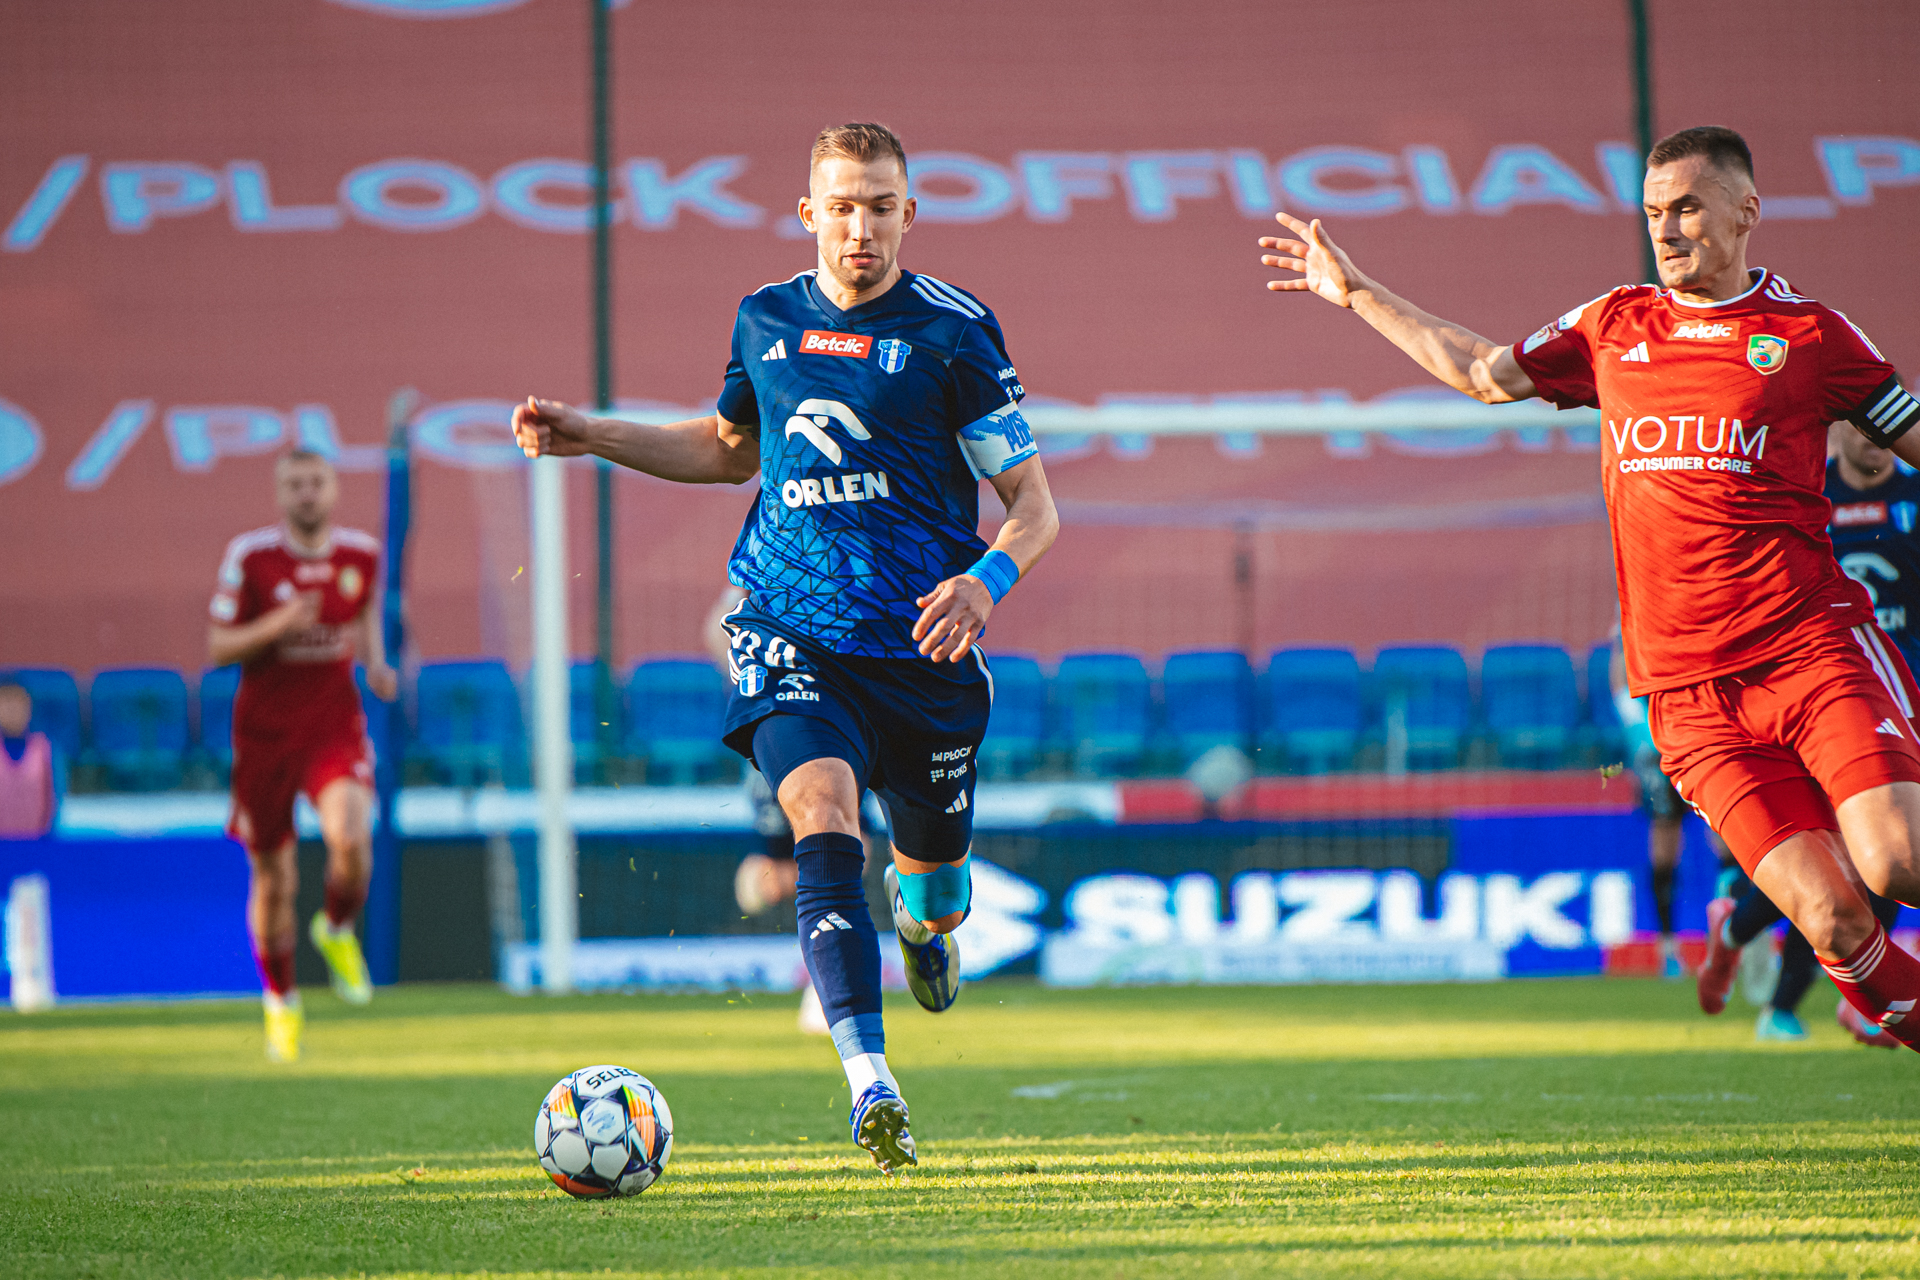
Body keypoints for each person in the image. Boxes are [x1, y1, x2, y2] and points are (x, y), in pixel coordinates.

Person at [1260, 125, 1920, 1051]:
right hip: (1689, 703)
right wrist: (1358, 293)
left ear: (1746, 212)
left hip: (1810, 655)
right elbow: (1481, 373)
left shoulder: (1812, 337)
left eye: (1687, 208)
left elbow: (1910, 432)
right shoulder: (1614, 327)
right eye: (1654, 213)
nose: (1668, 230)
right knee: (1835, 922)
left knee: (1897, 862)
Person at [514, 122, 1059, 1170]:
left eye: (881, 207)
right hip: (785, 625)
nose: (862, 228)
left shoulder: (955, 333)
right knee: (820, 810)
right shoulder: (764, 319)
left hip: (921, 651)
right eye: (843, 207)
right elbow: (729, 451)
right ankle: (870, 1080)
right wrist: (590, 434)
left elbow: (1033, 507)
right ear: (809, 213)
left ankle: (922, 928)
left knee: (937, 893)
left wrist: (983, 582)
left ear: (909, 213)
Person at [1706, 421, 1920, 1045]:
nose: (1877, 437)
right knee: (1833, 853)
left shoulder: (1914, 498)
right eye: (1866, 424)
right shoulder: (1807, 493)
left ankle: (1747, 945)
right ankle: (1784, 992)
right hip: (1824, 694)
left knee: (1884, 851)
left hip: (1899, 691)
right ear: (1840, 426)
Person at [208, 450, 397, 1062]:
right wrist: (279, 624)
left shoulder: (361, 555)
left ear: (333, 489)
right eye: (296, 485)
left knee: (351, 835)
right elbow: (218, 646)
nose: (307, 493)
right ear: (280, 494)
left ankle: (335, 928)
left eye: (316, 482)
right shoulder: (251, 557)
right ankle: (281, 1002)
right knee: (274, 878)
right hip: (264, 736)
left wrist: (377, 664)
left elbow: (366, 614)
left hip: (332, 727)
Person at [1607, 620, 1687, 978]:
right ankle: (1668, 946)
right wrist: (1619, 640)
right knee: (1665, 861)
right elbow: (1619, 687)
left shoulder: (1678, 705)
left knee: (1729, 850)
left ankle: (1738, 940)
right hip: (1661, 772)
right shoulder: (1636, 714)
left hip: (1693, 757)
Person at [0, 682, 62, 839]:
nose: (12, 710)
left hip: (36, 843)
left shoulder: (45, 748)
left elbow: (55, 798)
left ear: (29, 708)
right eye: (6, 703)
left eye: (18, 703)